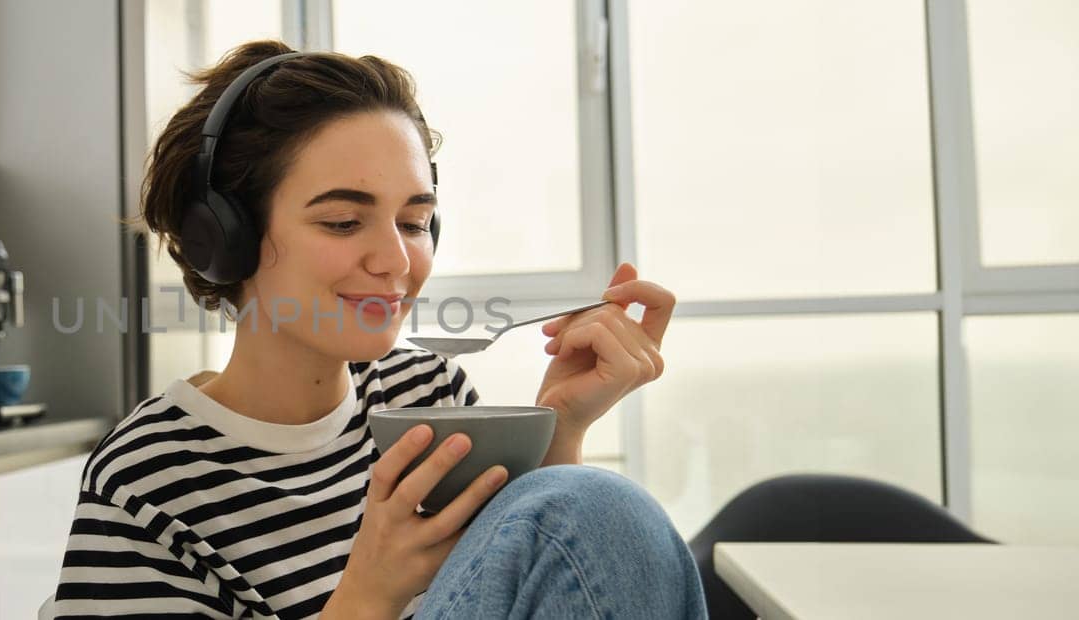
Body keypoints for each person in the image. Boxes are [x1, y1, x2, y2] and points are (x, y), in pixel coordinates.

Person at [50, 40, 705, 619]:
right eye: (342, 221)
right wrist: (368, 596)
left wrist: (560, 430)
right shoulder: (144, 482)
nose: (396, 261)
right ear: (224, 239)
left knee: (597, 501)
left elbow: (535, 593)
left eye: (415, 222)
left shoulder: (428, 392)